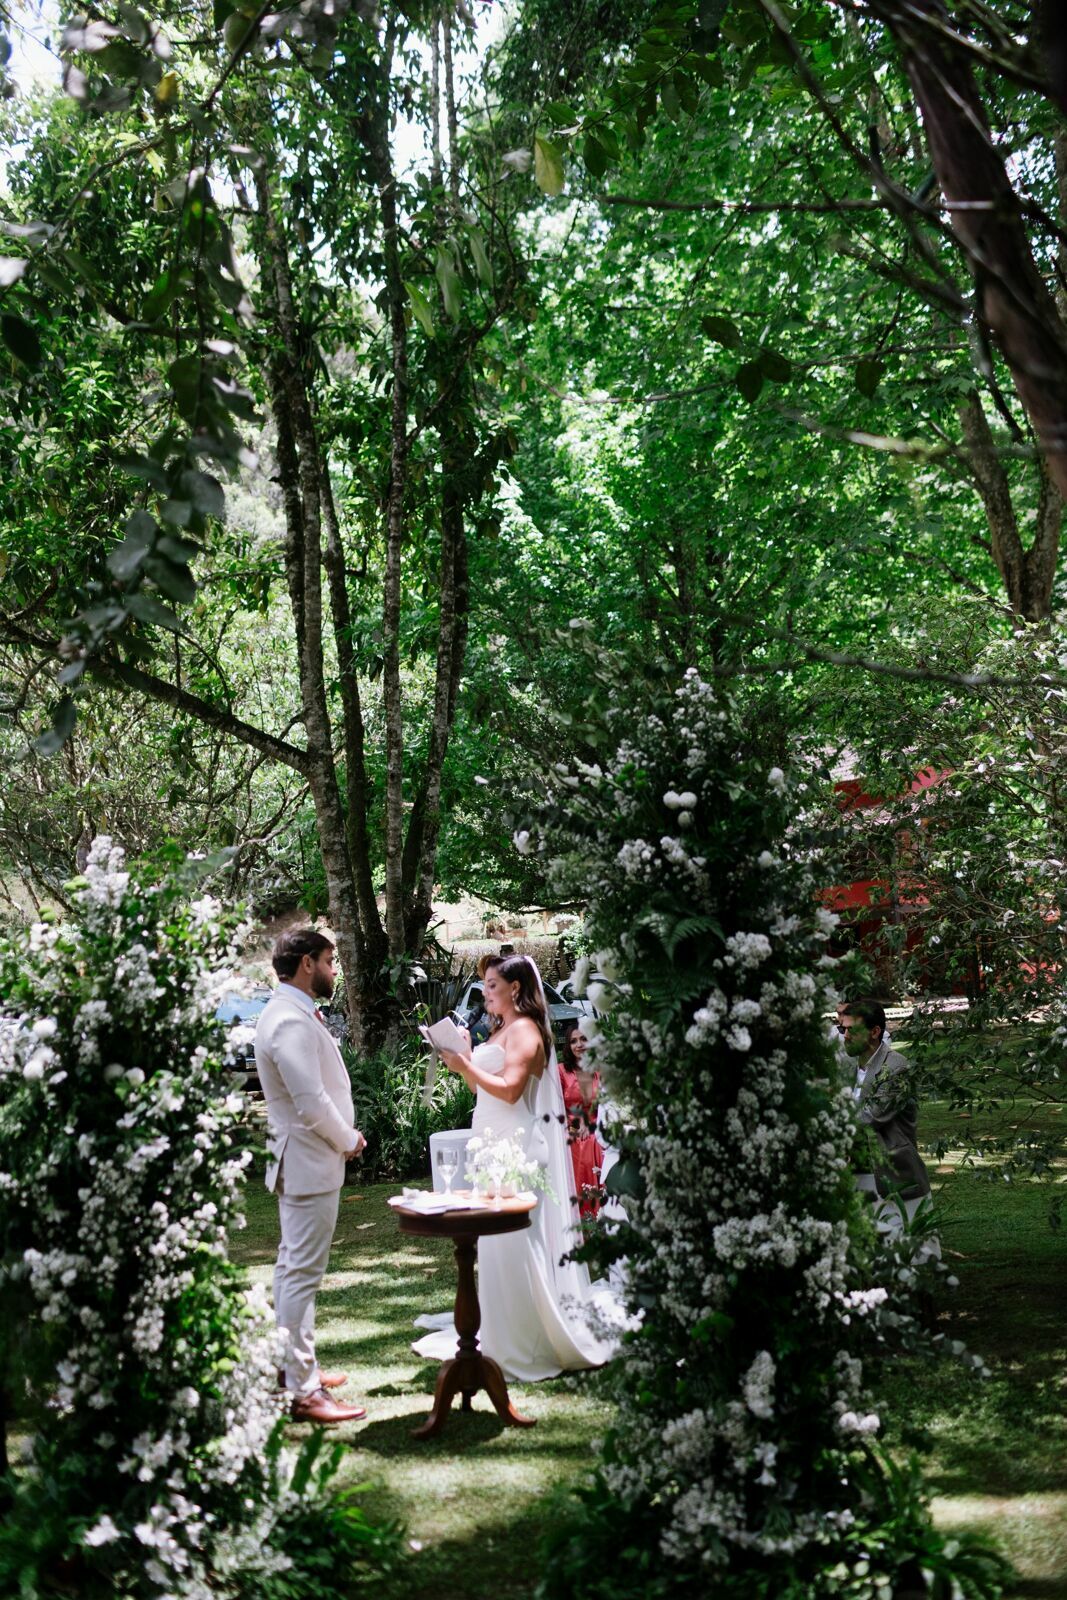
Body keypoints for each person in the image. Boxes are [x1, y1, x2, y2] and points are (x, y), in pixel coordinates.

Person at [423, 953, 616, 1381]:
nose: (485, 992)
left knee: (513, 1241)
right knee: (493, 1246)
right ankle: (500, 1331)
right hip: (491, 1141)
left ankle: (528, 1339)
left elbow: (511, 1092)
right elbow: (482, 1087)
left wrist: (466, 1064)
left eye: (492, 984)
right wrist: (464, 1055)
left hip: (517, 1147)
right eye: (484, 985)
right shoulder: (501, 1030)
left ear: (514, 988)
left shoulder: (526, 1029)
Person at [255, 928, 368, 1425]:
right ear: (305, 964)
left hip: (302, 1161)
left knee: (292, 1271)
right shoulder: (288, 1020)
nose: (333, 968)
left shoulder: (290, 1012)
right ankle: (301, 1390)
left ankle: (294, 1368)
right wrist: (349, 1139)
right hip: (308, 1161)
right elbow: (310, 1102)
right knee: (300, 1275)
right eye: (328, 959)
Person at [840, 998, 934, 1238]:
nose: (845, 1035)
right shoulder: (847, 1064)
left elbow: (870, 1117)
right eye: (843, 1029)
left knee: (909, 1251)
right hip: (854, 1169)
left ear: (874, 1032)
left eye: (852, 1029)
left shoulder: (896, 1067)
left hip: (892, 1171)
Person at [559, 1020, 604, 1219]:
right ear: (568, 1046)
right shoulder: (561, 1071)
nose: (579, 1045)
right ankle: (582, 1216)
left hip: (597, 1127)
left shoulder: (598, 1071)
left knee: (594, 1141)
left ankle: (599, 1215)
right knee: (582, 1143)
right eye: (573, 1041)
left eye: (583, 1039)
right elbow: (555, 1108)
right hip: (570, 1129)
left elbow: (605, 1106)